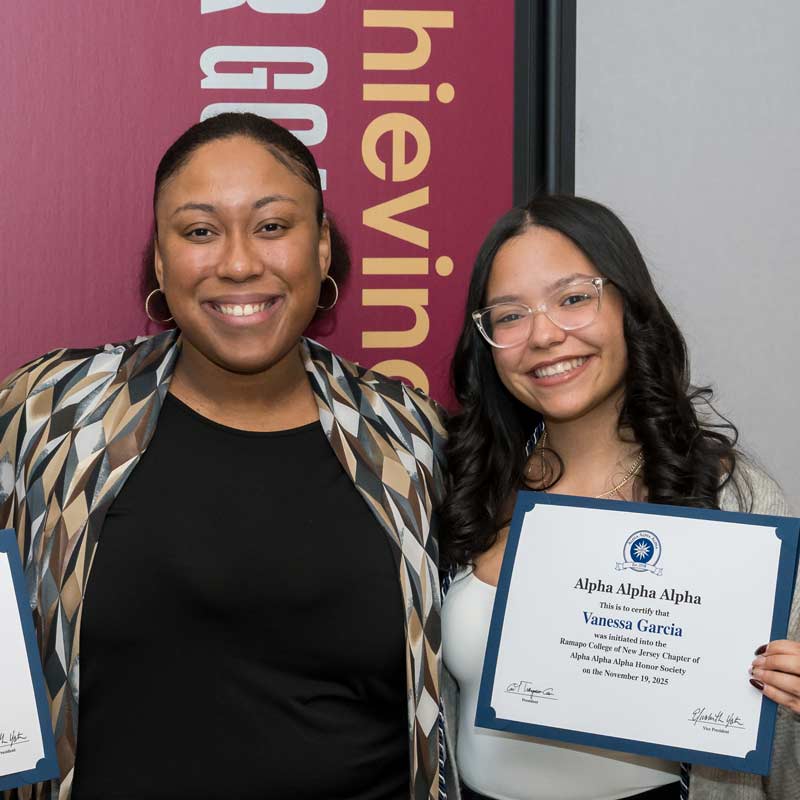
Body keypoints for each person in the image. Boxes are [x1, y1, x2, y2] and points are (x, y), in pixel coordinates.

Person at [0, 112, 448, 800]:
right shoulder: (51, 412)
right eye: (200, 231)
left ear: (322, 248)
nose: (239, 262)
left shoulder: (410, 437)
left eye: (272, 226)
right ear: (159, 258)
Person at [440, 195, 799, 800]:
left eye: (574, 298)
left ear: (628, 306)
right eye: (509, 315)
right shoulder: (462, 485)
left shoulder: (737, 500)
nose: (545, 335)